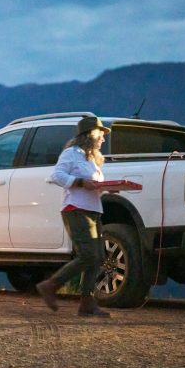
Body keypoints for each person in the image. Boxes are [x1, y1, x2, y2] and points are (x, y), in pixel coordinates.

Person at [37, 116, 117, 317]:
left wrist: (107, 189)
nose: (103, 139)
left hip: (93, 210)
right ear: (91, 135)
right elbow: (58, 176)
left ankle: (87, 303)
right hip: (76, 209)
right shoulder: (71, 153)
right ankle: (50, 285)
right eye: (101, 135)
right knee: (88, 255)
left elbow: (93, 185)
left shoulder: (92, 159)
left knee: (97, 257)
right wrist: (80, 183)